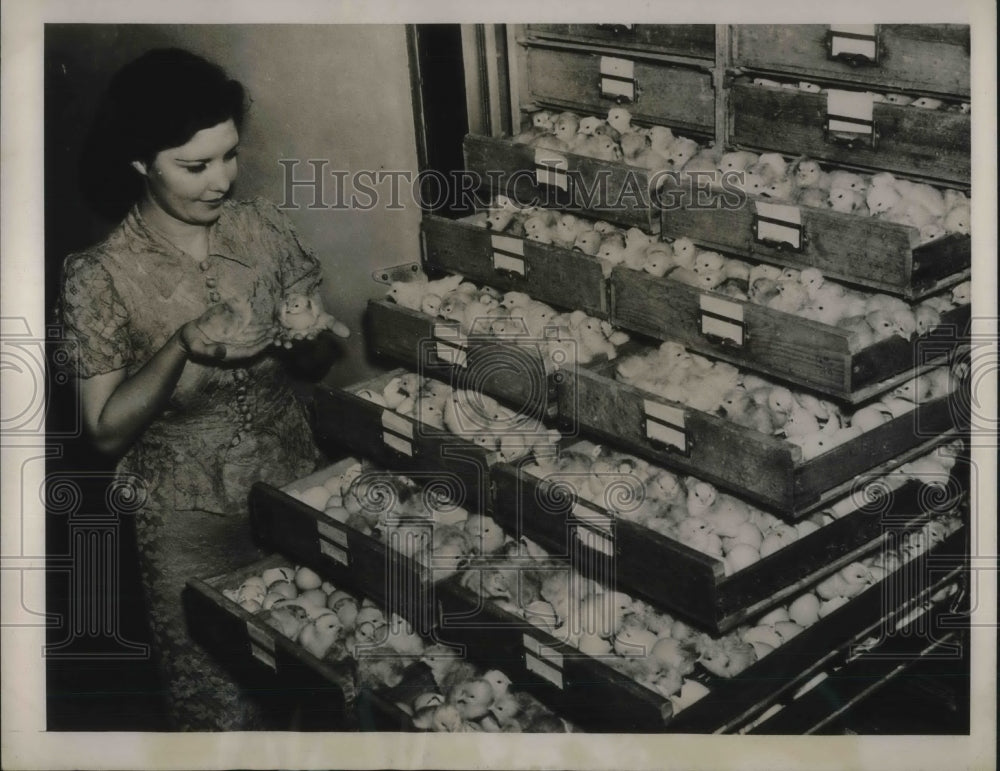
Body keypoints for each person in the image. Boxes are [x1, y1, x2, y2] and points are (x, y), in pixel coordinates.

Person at [58, 48, 349, 730]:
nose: (221, 181)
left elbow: (314, 371)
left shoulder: (264, 230)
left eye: (228, 156)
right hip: (190, 534)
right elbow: (103, 432)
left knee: (325, 696)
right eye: (195, 166)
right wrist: (181, 345)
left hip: (299, 503)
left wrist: (308, 339)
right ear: (139, 162)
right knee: (220, 717)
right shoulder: (100, 276)